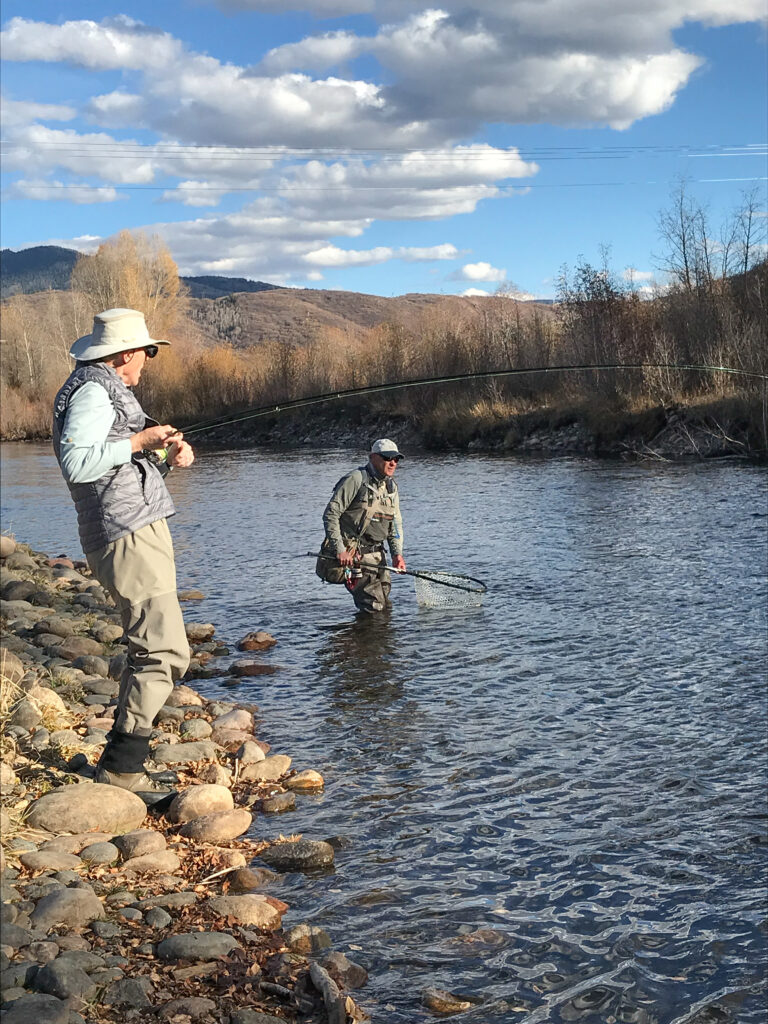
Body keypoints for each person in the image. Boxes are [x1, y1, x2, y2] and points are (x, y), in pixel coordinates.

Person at [52, 308, 194, 801]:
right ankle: (121, 769)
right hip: (127, 535)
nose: (148, 361)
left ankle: (122, 763)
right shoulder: (94, 390)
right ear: (127, 353)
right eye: (148, 352)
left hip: (131, 529)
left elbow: (114, 470)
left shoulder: (99, 387)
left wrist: (163, 457)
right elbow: (77, 462)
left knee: (151, 647)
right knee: (164, 650)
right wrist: (139, 440)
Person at [320, 439, 407, 614]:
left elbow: (395, 523)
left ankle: (366, 632)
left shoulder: (391, 487)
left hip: (379, 556)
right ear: (373, 457)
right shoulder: (356, 479)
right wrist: (340, 550)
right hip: (355, 557)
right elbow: (331, 514)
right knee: (374, 607)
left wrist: (397, 554)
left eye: (396, 459)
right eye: (387, 458)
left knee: (385, 608)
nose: (393, 463)